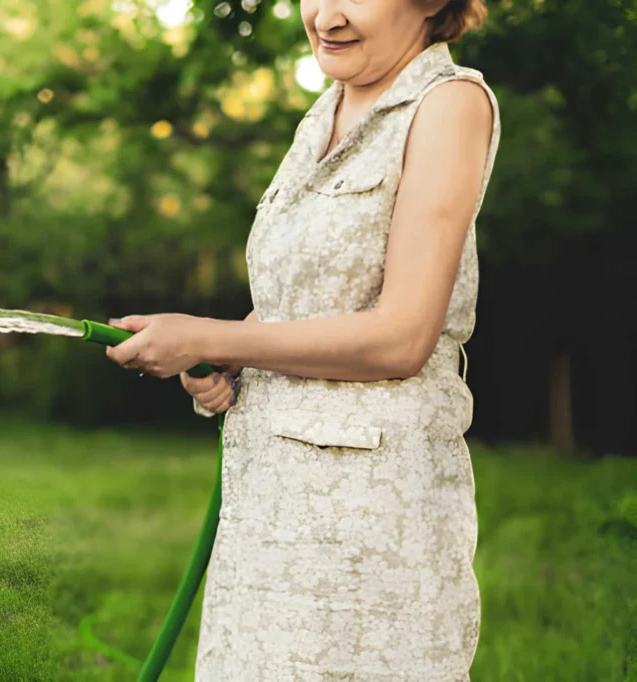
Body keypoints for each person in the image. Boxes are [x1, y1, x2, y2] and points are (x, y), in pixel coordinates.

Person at [105, 0, 499, 678]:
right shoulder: (323, 111)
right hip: (268, 516)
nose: (325, 14)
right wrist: (223, 356)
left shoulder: (449, 105)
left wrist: (212, 332)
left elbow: (403, 337)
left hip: (371, 525)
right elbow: (298, 307)